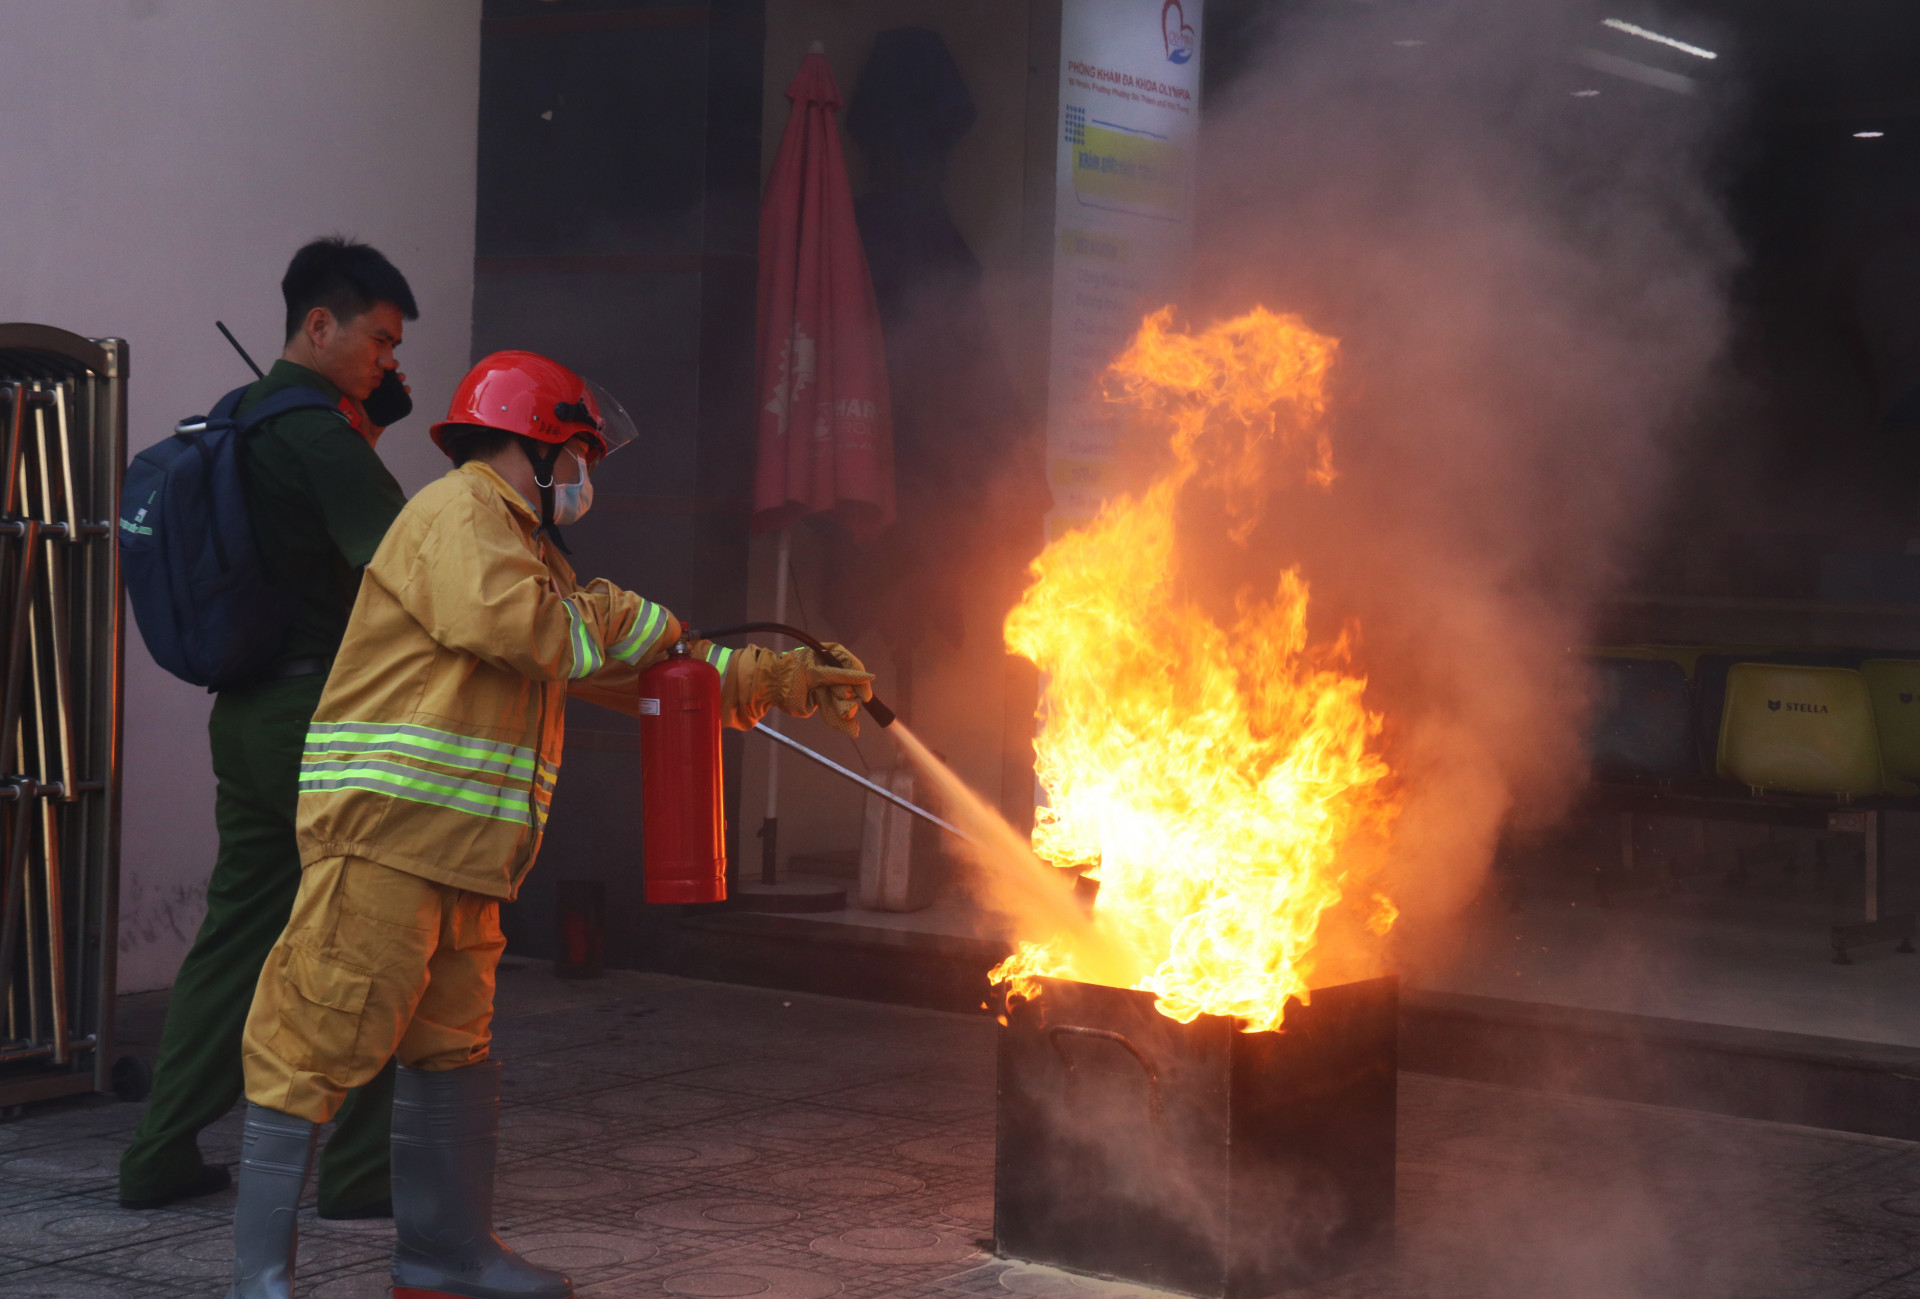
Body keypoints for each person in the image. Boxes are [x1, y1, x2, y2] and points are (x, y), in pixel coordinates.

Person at [223, 351, 875, 1299]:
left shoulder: (525, 553)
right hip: (387, 846)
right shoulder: (459, 516)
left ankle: (443, 1258)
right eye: (578, 455)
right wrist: (617, 610)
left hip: (467, 863)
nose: (585, 478)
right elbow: (544, 635)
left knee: (451, 1049)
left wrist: (774, 680)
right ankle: (259, 1280)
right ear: (532, 449)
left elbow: (609, 662)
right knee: (310, 1041)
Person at [118, 238, 417, 1219]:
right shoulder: (321, 436)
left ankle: (159, 1154)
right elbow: (408, 567)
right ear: (318, 325)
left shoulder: (240, 415)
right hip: (317, 719)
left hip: (243, 715)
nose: (387, 361)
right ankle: (366, 1177)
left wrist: (362, 426)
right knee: (378, 931)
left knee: (235, 935)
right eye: (377, 340)